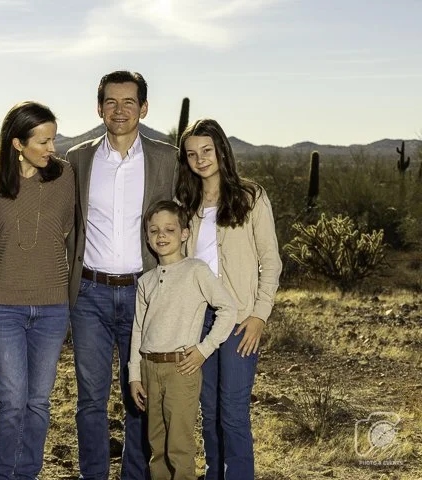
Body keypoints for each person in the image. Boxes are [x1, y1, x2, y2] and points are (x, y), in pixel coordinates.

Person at [66, 70, 179, 480]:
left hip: (144, 293)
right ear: (99, 108)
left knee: (141, 396)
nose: (119, 110)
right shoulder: (77, 159)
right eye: (111, 102)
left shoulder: (166, 159)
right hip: (90, 294)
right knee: (91, 398)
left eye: (129, 102)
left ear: (143, 108)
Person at [0, 101, 75, 480]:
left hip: (52, 306)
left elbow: (66, 229)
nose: (52, 148)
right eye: (43, 141)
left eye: (53, 139)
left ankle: (27, 474)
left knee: (39, 402)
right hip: (3, 307)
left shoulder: (65, 177)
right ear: (17, 143)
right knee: (11, 401)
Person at [177, 118, 282, 480]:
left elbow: (271, 262)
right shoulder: (185, 202)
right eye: (192, 154)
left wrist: (259, 316)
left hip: (239, 320)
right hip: (198, 322)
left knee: (233, 412)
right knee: (209, 411)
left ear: (222, 149)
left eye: (207, 150)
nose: (201, 159)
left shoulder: (251, 197)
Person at [128, 200, 236, 480]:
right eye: (154, 231)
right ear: (148, 236)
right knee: (156, 447)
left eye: (169, 230)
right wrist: (134, 375)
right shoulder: (146, 281)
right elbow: (138, 329)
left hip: (181, 369)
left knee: (179, 446)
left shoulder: (196, 270)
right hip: (150, 369)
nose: (161, 236)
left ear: (184, 234)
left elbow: (228, 309)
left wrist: (204, 349)